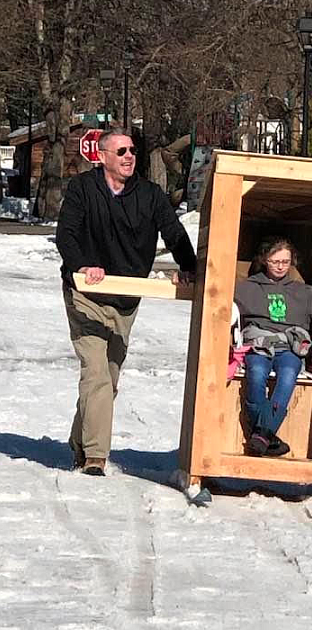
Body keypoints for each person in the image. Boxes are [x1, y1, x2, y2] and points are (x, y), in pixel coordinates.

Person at [56, 128, 196, 476]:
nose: (129, 156)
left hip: (125, 298)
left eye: (132, 150)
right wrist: (81, 265)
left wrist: (190, 267)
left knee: (109, 378)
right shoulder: (82, 189)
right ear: (102, 156)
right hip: (85, 293)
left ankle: (80, 442)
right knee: (96, 371)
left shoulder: (149, 195)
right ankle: (95, 457)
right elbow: (66, 234)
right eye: (121, 151)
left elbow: (174, 232)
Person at [234, 237, 312, 457]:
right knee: (257, 373)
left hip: (287, 346)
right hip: (259, 344)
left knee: (288, 374)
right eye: (275, 261)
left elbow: (304, 321)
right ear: (264, 260)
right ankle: (267, 436)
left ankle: (260, 435)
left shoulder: (301, 291)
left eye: (285, 262)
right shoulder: (248, 287)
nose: (280, 266)